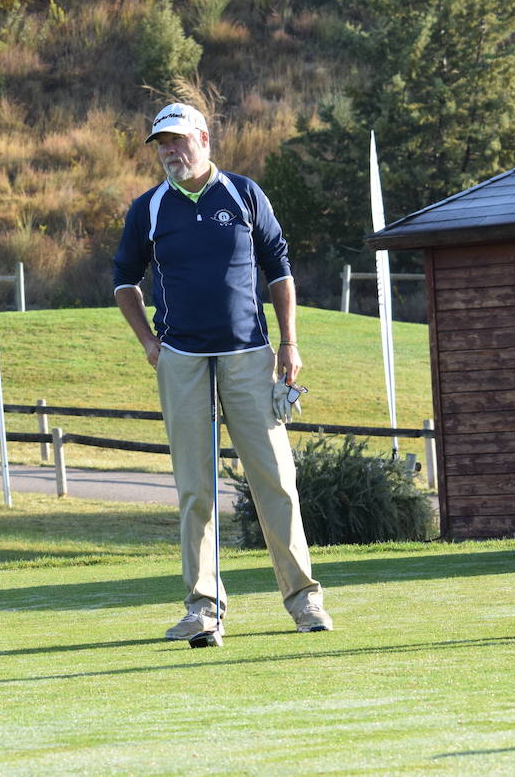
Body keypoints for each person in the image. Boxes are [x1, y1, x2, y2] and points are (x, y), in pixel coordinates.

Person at [112, 102, 332, 641]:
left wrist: (290, 342)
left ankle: (305, 601)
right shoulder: (150, 208)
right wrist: (148, 342)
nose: (169, 151)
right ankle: (202, 609)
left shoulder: (243, 193)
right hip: (181, 358)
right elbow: (123, 280)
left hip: (249, 353)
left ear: (203, 139)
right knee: (196, 488)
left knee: (276, 481)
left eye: (177, 140)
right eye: (161, 144)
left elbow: (278, 266)